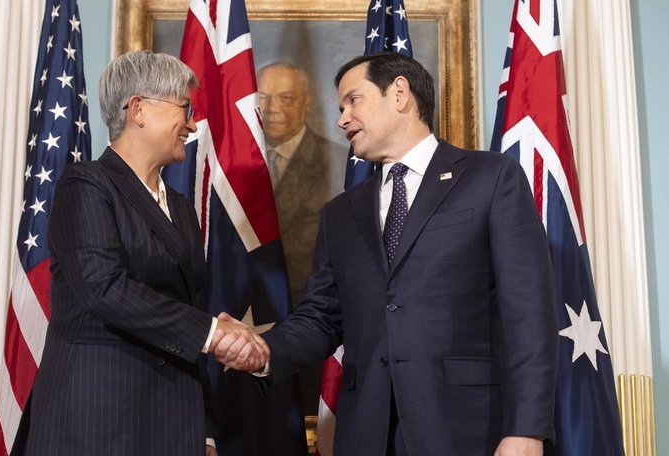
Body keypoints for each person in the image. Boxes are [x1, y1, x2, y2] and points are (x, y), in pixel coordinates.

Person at [221, 52, 559, 455]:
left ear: (399, 93)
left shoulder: (490, 178)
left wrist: (526, 429)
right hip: (368, 434)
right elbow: (322, 319)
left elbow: (528, 310)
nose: (342, 118)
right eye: (340, 107)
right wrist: (264, 350)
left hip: (469, 430)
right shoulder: (341, 213)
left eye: (352, 100)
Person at [20, 50, 267, 456]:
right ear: (138, 109)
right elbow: (104, 288)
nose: (191, 122)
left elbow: (186, 309)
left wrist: (202, 428)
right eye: (184, 108)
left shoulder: (183, 209)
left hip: (171, 422)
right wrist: (213, 332)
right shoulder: (86, 186)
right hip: (96, 421)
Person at [257, 62, 347, 415]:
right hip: (246, 330)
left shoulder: (340, 163)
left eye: (286, 97)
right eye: (263, 97)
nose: (273, 108)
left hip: (315, 338)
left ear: (307, 101)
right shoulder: (227, 168)